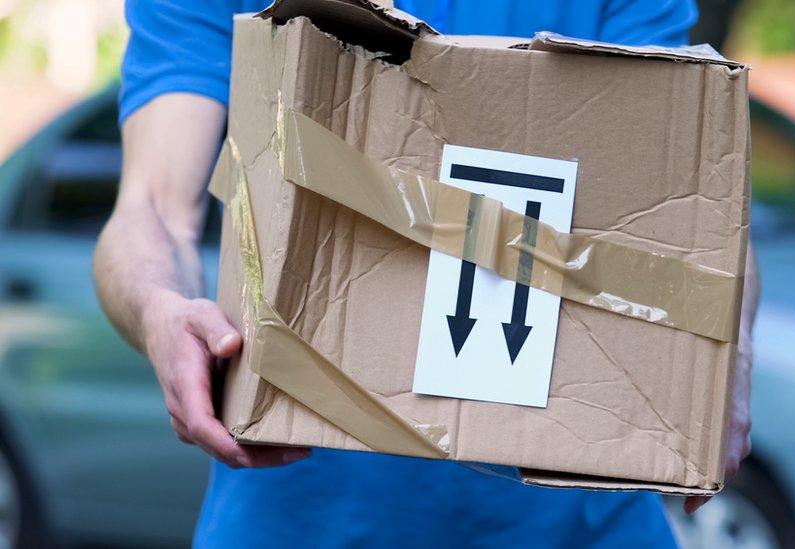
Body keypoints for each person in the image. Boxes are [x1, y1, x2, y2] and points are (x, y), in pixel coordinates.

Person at [94, 0, 758, 546]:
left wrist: (725, 358)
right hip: (293, 525)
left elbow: (697, 205)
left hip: (583, 526)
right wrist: (160, 307)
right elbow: (151, 208)